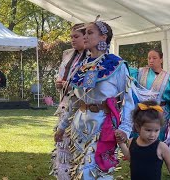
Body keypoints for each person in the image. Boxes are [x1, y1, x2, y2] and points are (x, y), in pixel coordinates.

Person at [55, 21, 134, 179]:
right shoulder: (83, 66)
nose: (85, 36)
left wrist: (125, 129)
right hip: (80, 126)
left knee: (92, 171)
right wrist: (63, 126)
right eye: (84, 33)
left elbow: (128, 99)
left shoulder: (116, 65)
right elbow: (75, 100)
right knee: (78, 169)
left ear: (103, 37)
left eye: (90, 33)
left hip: (101, 126)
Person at [51, 23, 88, 179]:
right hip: (65, 106)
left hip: (82, 110)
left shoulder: (93, 57)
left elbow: (87, 86)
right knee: (63, 145)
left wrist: (68, 84)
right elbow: (63, 76)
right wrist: (59, 83)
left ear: (85, 37)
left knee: (80, 147)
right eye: (71, 37)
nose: (72, 40)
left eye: (76, 36)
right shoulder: (68, 55)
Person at [117, 101, 170, 180]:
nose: (152, 134)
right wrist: (121, 144)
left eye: (156, 130)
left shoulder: (161, 147)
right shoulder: (132, 142)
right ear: (138, 127)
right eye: (148, 130)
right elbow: (131, 159)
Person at [130, 49, 170, 144]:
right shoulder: (139, 73)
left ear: (161, 59)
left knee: (157, 142)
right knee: (140, 140)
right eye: (149, 58)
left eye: (154, 58)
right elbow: (125, 70)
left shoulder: (168, 78)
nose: (151, 60)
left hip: (160, 114)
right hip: (142, 112)